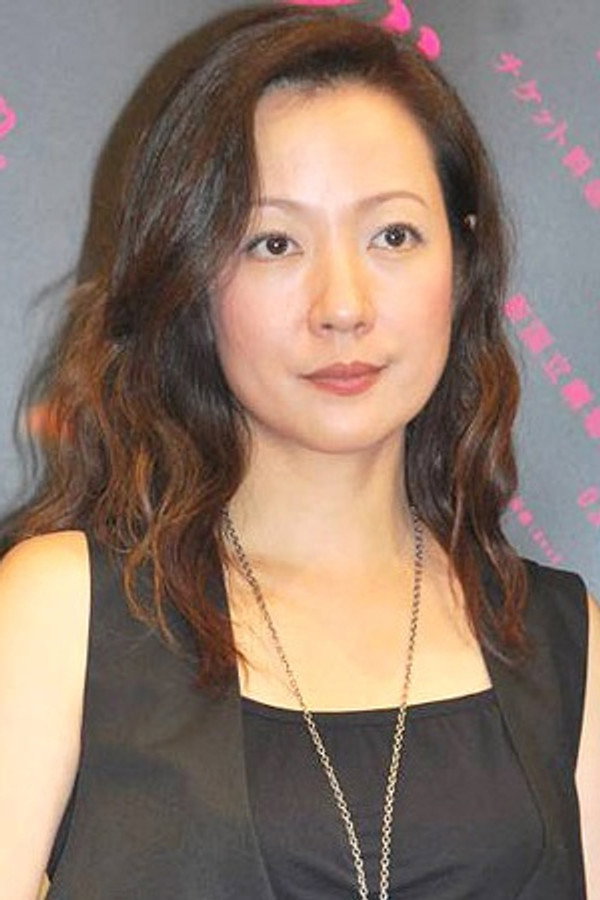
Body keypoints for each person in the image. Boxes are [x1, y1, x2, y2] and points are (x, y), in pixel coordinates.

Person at [0, 4, 598, 899]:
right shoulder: (64, 614)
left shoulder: (562, 642)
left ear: (462, 265)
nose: (342, 306)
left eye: (392, 235)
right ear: (191, 280)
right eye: (274, 243)